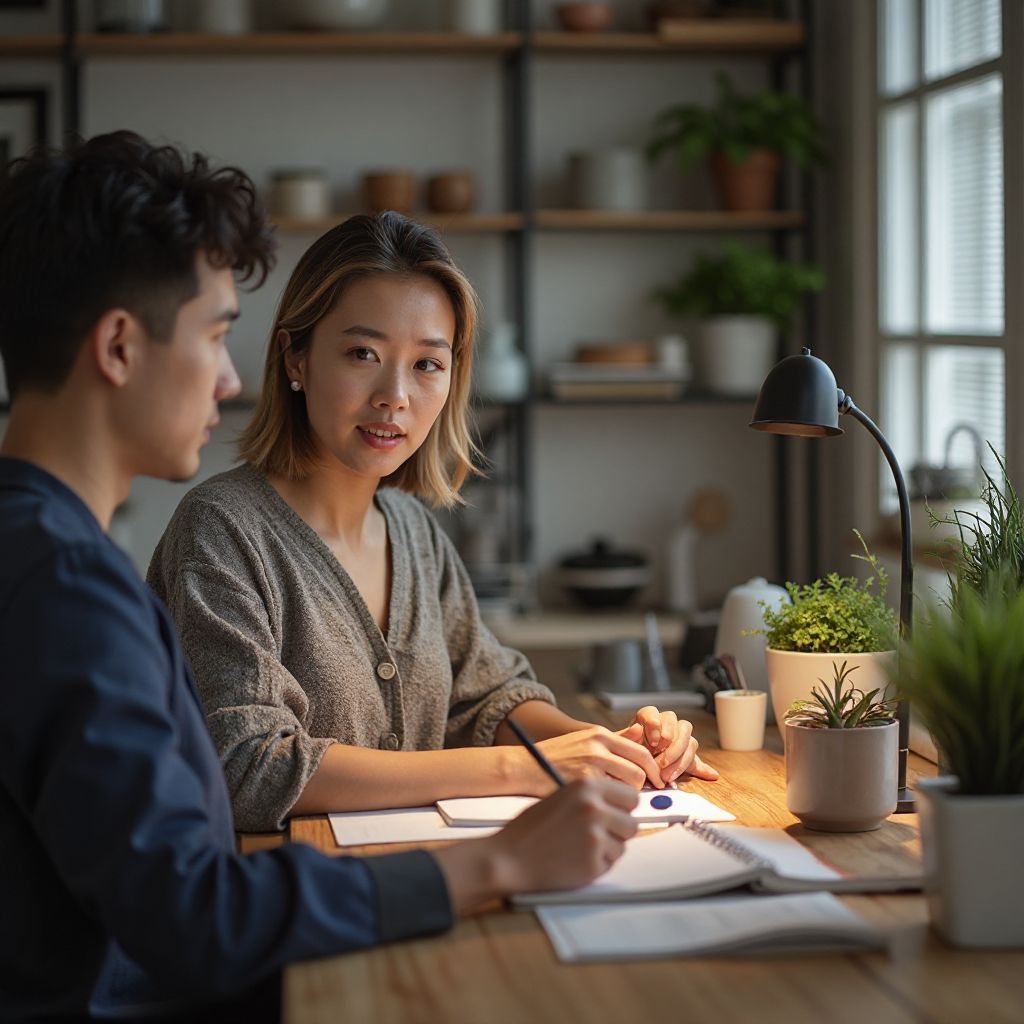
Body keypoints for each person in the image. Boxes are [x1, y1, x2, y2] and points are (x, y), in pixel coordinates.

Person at [0, 131, 641, 1023]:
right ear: (118, 347)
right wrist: (500, 861)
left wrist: (582, 753)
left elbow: (486, 690)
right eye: (217, 333)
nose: (229, 378)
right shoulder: (70, 588)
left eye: (429, 362)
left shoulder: (49, 555)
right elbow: (197, 915)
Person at [148, 211, 719, 834]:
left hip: (422, 882)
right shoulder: (222, 532)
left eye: (427, 363)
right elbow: (247, 769)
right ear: (296, 357)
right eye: (362, 352)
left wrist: (607, 744)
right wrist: (521, 769)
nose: (395, 394)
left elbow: (489, 696)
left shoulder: (414, 532)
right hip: (285, 902)